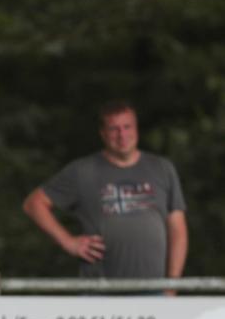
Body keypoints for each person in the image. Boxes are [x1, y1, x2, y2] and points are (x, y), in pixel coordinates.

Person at [23, 100, 188, 284]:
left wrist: (172, 284)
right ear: (103, 133)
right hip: (100, 290)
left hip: (154, 290)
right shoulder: (83, 171)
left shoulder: (162, 169)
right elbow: (34, 204)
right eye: (114, 129)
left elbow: (178, 231)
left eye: (127, 127)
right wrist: (69, 242)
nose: (122, 135)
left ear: (136, 129)